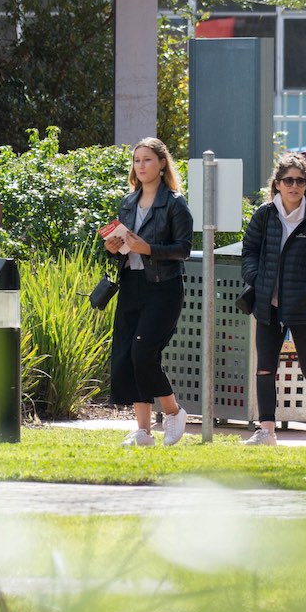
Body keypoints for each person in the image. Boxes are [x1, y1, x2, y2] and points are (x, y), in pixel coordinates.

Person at [240, 153, 306, 446]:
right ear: (277, 184)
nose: (294, 186)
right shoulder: (264, 215)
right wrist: (257, 278)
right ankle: (267, 431)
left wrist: (305, 292)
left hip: (305, 307)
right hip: (268, 304)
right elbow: (249, 252)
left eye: (300, 181)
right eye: (288, 180)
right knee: (265, 368)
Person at [105, 137, 193, 447]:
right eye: (137, 160)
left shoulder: (175, 203)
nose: (141, 165)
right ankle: (142, 431)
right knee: (128, 355)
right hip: (131, 284)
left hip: (163, 287)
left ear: (162, 164)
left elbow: (183, 249)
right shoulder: (128, 202)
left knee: (143, 353)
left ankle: (173, 412)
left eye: (147, 159)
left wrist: (149, 249)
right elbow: (122, 248)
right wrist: (111, 248)